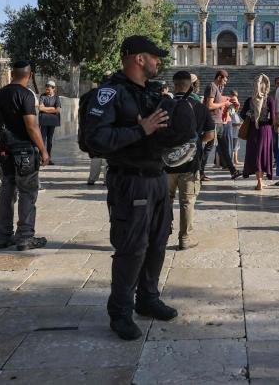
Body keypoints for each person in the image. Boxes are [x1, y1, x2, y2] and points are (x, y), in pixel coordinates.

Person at [84, 35, 178, 341]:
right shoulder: (110, 94)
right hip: (130, 181)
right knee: (132, 248)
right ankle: (120, 312)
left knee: (158, 241)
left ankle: (147, 298)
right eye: (154, 56)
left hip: (157, 178)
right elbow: (94, 141)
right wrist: (140, 129)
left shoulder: (149, 93)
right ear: (139, 58)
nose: (158, 62)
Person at [0, 61, 50, 252]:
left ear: (12, 73)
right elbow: (31, 126)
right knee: (28, 193)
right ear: (29, 76)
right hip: (25, 153)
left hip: (5, 152)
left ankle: (3, 236)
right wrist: (44, 150)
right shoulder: (26, 95)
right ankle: (25, 237)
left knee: (7, 191)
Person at [166, 71, 215, 250]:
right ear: (191, 85)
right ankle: (184, 239)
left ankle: (163, 234)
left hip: (166, 163)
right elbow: (210, 134)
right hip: (190, 162)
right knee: (187, 202)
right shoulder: (199, 107)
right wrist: (194, 144)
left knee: (166, 200)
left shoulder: (164, 105)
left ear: (174, 85)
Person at [201, 70, 240, 181]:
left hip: (219, 123)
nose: (225, 82)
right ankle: (200, 172)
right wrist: (225, 103)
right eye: (225, 80)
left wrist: (230, 103)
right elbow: (209, 105)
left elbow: (218, 104)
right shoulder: (212, 87)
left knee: (224, 148)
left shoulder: (217, 88)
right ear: (219, 77)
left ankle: (233, 171)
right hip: (213, 122)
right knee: (208, 148)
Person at [240, 74, 276, 190]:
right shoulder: (269, 100)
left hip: (253, 130)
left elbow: (242, 115)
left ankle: (259, 181)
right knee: (263, 155)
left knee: (255, 155)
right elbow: (273, 119)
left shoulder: (250, 100)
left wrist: (252, 115)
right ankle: (261, 181)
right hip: (265, 130)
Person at [38, 81, 61, 165]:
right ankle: (41, 158)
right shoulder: (42, 96)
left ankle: (48, 158)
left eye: (49, 88)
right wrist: (52, 109)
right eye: (46, 88)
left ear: (53, 89)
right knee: (42, 140)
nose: (47, 90)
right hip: (44, 121)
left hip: (52, 122)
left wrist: (46, 109)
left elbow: (58, 110)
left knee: (50, 141)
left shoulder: (56, 97)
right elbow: (40, 108)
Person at [228, 90, 241, 165]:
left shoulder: (233, 109)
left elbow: (235, 112)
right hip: (233, 131)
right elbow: (230, 121)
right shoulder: (230, 108)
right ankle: (232, 160)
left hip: (236, 131)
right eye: (235, 100)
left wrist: (238, 106)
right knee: (233, 146)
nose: (237, 102)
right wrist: (238, 124)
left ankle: (235, 160)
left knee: (236, 146)